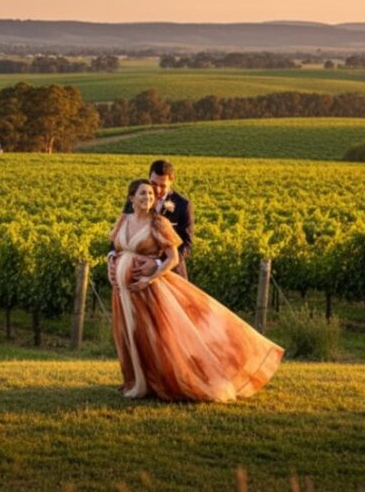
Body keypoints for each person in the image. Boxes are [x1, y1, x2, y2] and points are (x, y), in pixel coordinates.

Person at [108, 178, 283, 402]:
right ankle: (136, 382)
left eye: (151, 195)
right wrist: (111, 263)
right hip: (122, 292)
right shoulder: (123, 220)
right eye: (143, 194)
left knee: (152, 338)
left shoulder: (158, 223)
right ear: (131, 198)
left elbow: (172, 258)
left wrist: (150, 278)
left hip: (147, 290)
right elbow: (115, 249)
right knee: (129, 336)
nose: (148, 198)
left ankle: (160, 382)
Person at [108, 159, 193, 281]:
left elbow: (187, 245)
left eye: (163, 185)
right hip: (134, 275)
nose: (157, 190)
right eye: (153, 183)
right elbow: (119, 232)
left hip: (170, 274)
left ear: (171, 181)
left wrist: (158, 263)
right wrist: (112, 257)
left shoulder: (183, 205)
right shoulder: (135, 200)